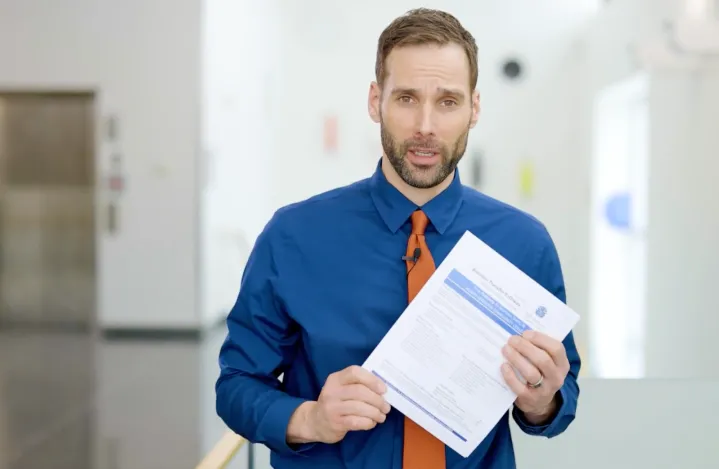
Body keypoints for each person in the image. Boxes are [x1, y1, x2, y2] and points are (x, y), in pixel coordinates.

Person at [215, 7, 581, 469]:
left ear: (474, 109)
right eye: (406, 98)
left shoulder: (525, 244)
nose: (425, 125)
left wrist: (541, 400)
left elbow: (559, 400)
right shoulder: (293, 238)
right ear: (375, 101)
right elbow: (236, 385)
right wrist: (309, 418)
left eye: (447, 101)